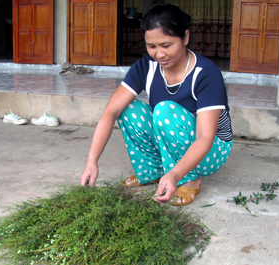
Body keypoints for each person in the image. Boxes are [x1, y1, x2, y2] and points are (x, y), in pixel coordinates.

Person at [80, 3, 233, 205]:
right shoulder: (146, 67)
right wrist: (92, 161)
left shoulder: (205, 74)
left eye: (166, 45)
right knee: (127, 108)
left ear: (185, 37)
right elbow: (111, 112)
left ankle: (190, 179)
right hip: (173, 138)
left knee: (164, 111)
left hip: (212, 149)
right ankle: (152, 172)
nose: (159, 54)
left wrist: (175, 174)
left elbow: (205, 136)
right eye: (151, 46)